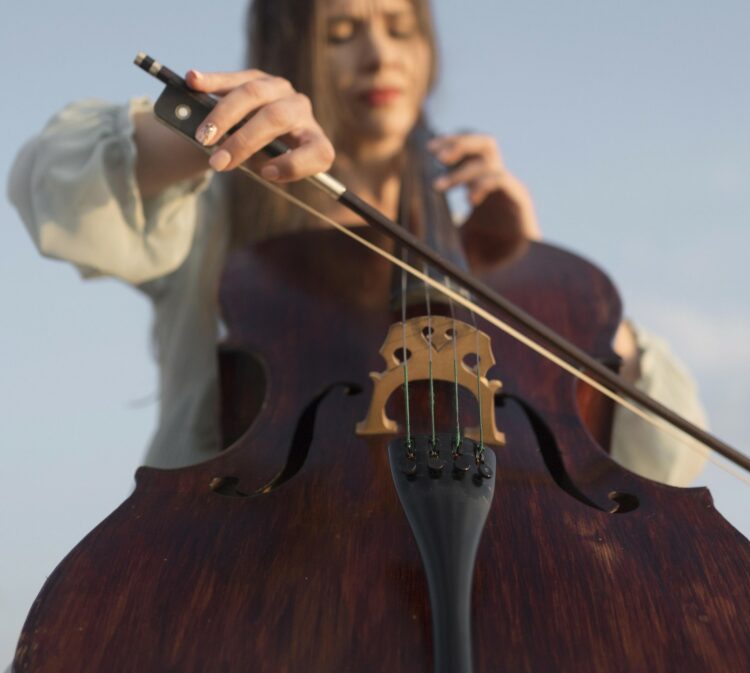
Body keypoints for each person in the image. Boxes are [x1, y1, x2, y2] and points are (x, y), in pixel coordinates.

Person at [8, 0, 708, 485]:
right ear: (289, 49)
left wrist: (547, 283)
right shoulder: (212, 207)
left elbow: (666, 458)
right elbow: (46, 181)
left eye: (402, 29)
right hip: (237, 566)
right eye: (343, 31)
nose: (380, 56)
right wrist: (205, 135)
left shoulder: (462, 245)